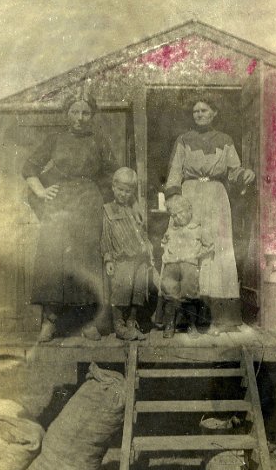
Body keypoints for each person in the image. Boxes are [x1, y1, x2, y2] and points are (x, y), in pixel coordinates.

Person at [22, 95, 119, 342]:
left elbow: (113, 175)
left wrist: (111, 205)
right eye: (75, 112)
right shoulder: (55, 138)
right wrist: (42, 192)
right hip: (59, 205)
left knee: (87, 260)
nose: (80, 118)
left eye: (85, 113)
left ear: (92, 115)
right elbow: (29, 168)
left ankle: (88, 322)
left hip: (88, 204)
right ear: (67, 113)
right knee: (53, 257)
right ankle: (50, 321)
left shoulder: (99, 140)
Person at [165, 95, 255, 335]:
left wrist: (243, 174)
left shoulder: (225, 141)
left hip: (216, 198)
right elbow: (174, 174)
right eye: (196, 111)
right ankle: (190, 317)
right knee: (190, 251)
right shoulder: (183, 140)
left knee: (217, 252)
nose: (200, 114)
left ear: (215, 112)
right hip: (190, 196)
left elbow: (233, 172)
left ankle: (218, 318)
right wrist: (174, 201)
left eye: (204, 110)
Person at [101, 167, 153, 341]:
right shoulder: (108, 210)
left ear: (132, 192)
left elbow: (142, 232)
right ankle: (119, 325)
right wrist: (108, 258)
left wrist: (147, 245)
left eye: (128, 191)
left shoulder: (135, 211)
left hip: (139, 257)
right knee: (122, 289)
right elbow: (105, 237)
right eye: (121, 190)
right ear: (113, 188)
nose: (123, 194)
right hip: (121, 258)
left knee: (137, 290)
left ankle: (132, 321)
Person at [160, 195, 214, 339]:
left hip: (189, 266)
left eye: (181, 212)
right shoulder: (171, 230)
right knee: (170, 295)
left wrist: (197, 254)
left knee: (190, 295)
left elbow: (210, 245)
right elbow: (164, 243)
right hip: (171, 266)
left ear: (189, 210)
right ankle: (169, 325)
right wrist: (167, 252)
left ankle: (191, 325)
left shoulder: (197, 229)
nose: (178, 217)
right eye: (174, 215)